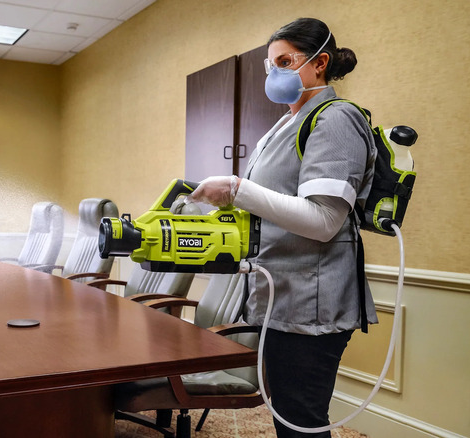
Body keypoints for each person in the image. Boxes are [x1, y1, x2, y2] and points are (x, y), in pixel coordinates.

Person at [187, 18, 378, 437]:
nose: (274, 73)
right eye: (270, 65)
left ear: (319, 63)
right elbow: (268, 208)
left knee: (301, 421)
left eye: (285, 61)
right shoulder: (283, 126)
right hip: (280, 297)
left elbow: (325, 221)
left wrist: (237, 188)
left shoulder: (335, 119)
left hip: (312, 304)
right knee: (285, 415)